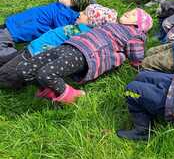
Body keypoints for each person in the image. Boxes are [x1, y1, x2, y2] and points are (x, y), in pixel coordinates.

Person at [0, 8, 152, 104]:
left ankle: (72, 95)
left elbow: (135, 51)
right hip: (69, 45)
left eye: (133, 15)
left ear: (139, 26)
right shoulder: (111, 26)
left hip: (86, 54)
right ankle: (49, 90)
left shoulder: (135, 34)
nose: (128, 12)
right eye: (130, 10)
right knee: (23, 69)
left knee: (45, 74)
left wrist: (137, 64)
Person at [0, 5, 117, 88]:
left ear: (93, 22)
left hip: (35, 55)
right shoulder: (77, 28)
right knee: (7, 63)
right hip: (31, 49)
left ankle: (22, 82)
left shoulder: (82, 34)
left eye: (85, 14)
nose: (80, 13)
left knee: (4, 76)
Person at [0, 0, 91, 63]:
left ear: (74, 3)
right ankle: (17, 58)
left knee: (4, 51)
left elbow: (59, 32)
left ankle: (17, 59)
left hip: (14, 28)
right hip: (15, 26)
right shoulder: (61, 10)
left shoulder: (63, 14)